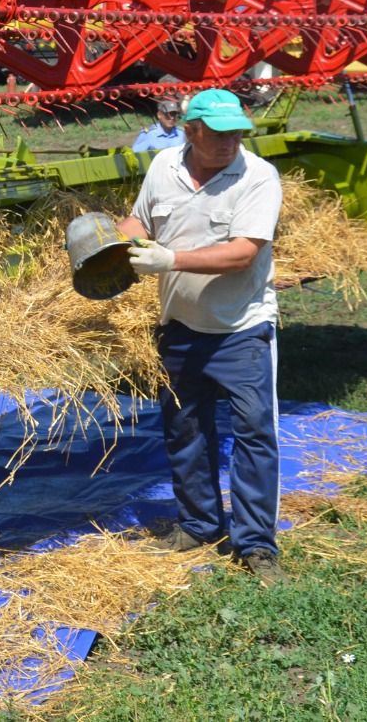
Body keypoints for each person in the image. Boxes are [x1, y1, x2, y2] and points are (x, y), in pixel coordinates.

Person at [117, 88, 285, 584]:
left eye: (237, 133)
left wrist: (169, 260)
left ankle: (256, 545)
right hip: (180, 326)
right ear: (189, 130)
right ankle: (198, 525)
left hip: (241, 328)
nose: (230, 142)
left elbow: (243, 254)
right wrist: (115, 242)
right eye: (218, 134)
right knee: (185, 430)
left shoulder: (256, 176)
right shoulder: (164, 167)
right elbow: (139, 220)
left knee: (254, 435)